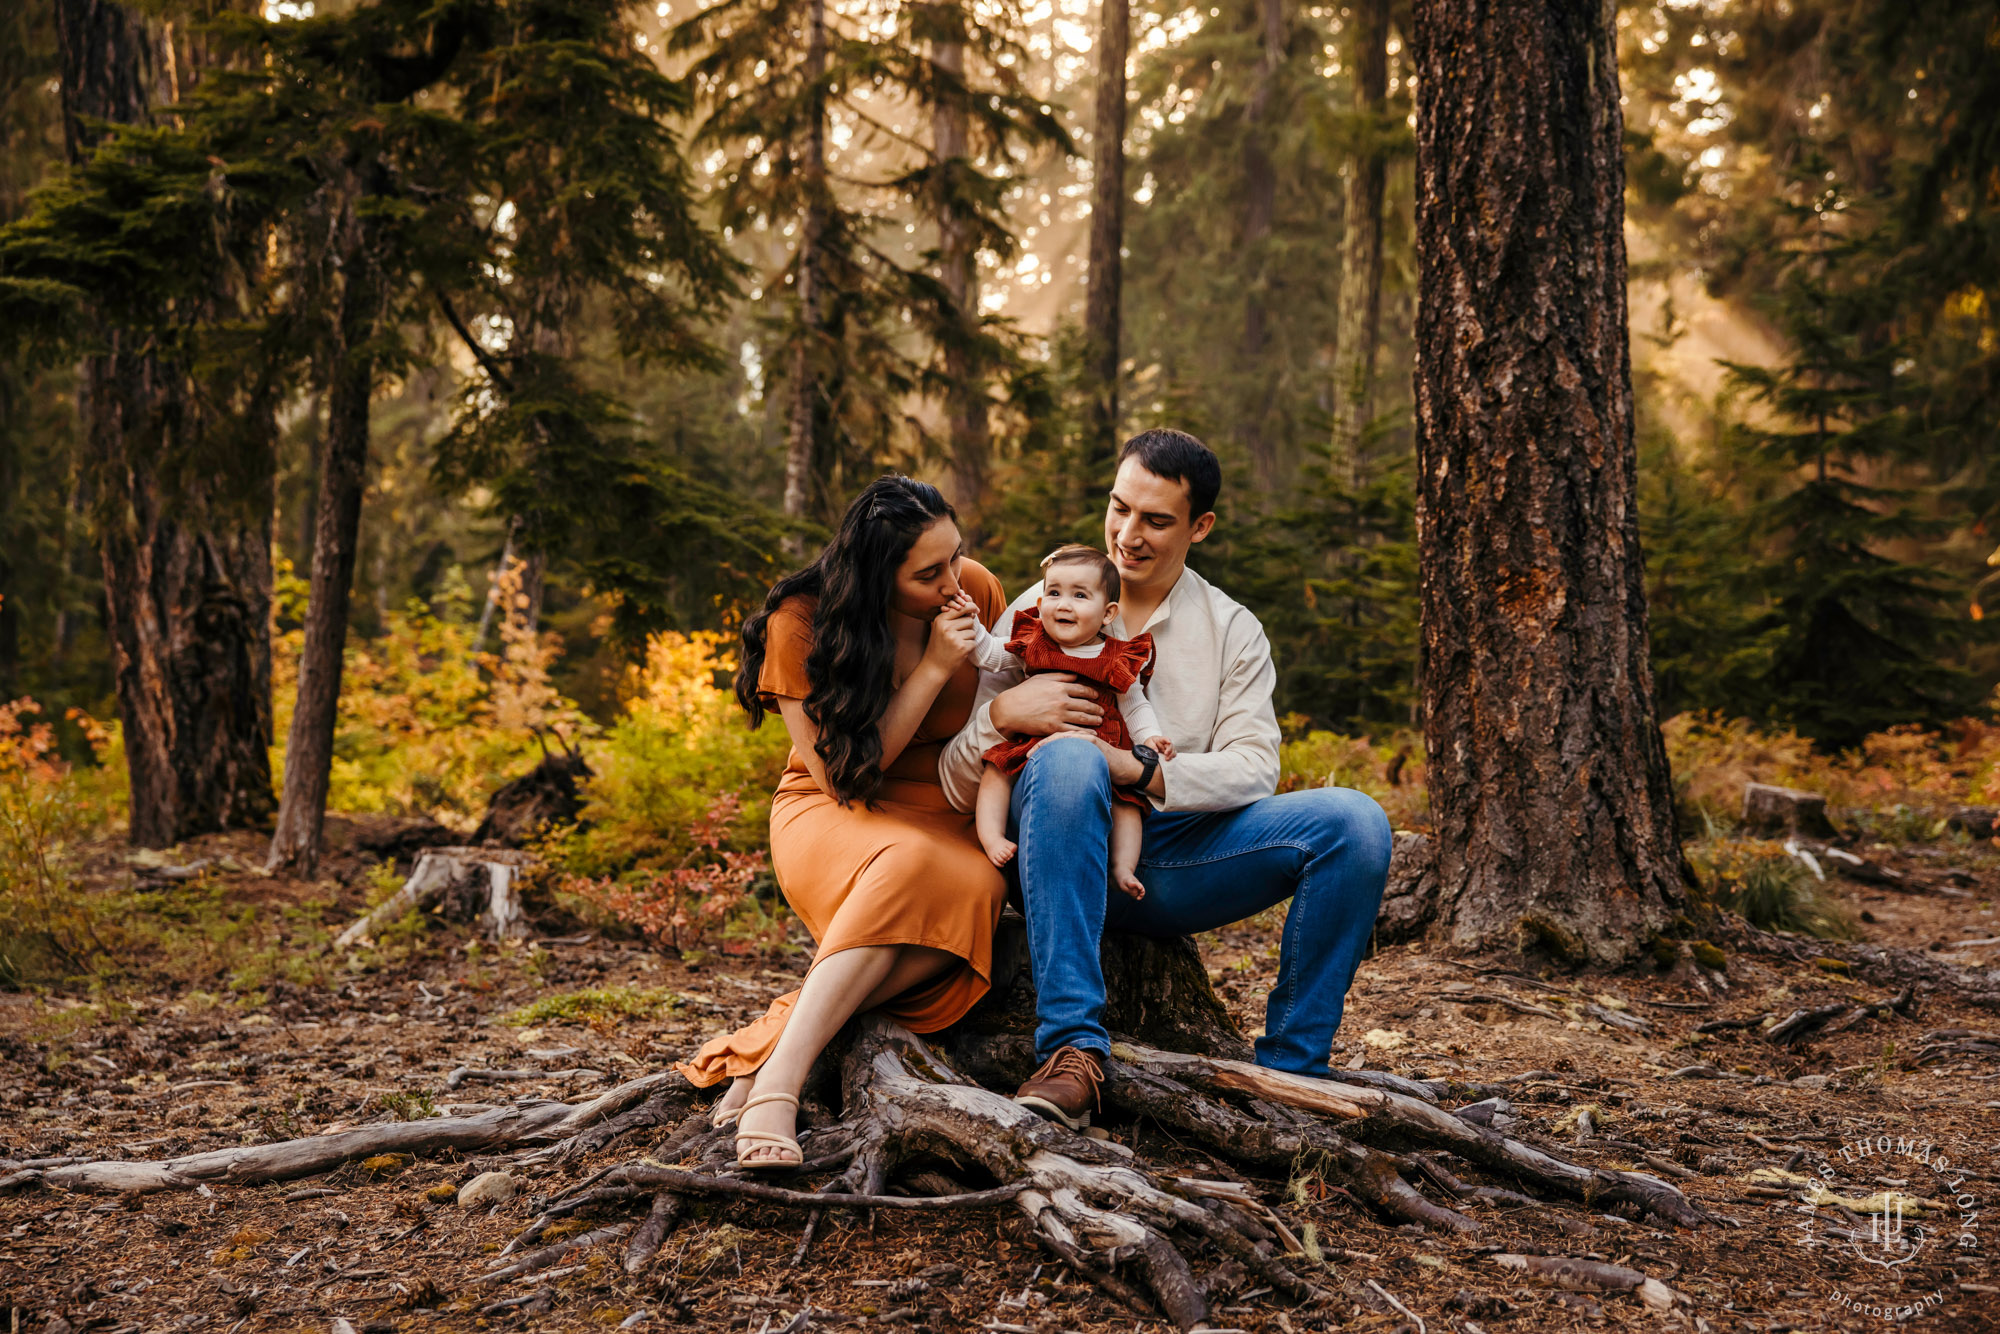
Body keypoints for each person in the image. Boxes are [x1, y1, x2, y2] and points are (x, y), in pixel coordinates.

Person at [940, 429, 1392, 1131]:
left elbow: (1254, 766)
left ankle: (1290, 1072)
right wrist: (1001, 712)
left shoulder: (1231, 628)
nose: (1128, 535)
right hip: (1053, 848)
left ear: (1200, 526)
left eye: (1156, 520)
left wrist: (1139, 768)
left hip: (1172, 860)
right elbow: (954, 776)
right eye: (1120, 509)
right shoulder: (1040, 605)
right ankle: (1071, 1051)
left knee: (1356, 823)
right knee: (1066, 757)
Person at [679, 475, 1010, 1169]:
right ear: (874, 577)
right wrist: (932, 670)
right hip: (835, 810)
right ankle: (779, 1085)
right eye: (929, 573)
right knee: (912, 871)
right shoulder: (798, 624)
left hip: (949, 807)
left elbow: (1004, 699)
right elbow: (840, 778)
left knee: (978, 895)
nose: (955, 583)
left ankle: (783, 1027)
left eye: (956, 557)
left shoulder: (975, 589)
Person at [965, 543, 1175, 901]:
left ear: (1108, 613)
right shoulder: (1034, 643)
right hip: (1035, 747)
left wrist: (1151, 738)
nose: (1063, 604)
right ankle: (991, 836)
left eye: (1079, 595)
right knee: (995, 771)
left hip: (1104, 751)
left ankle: (1123, 867)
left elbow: (1135, 705)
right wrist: (970, 620)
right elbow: (988, 656)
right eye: (1053, 592)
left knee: (1128, 807)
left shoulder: (1115, 657)